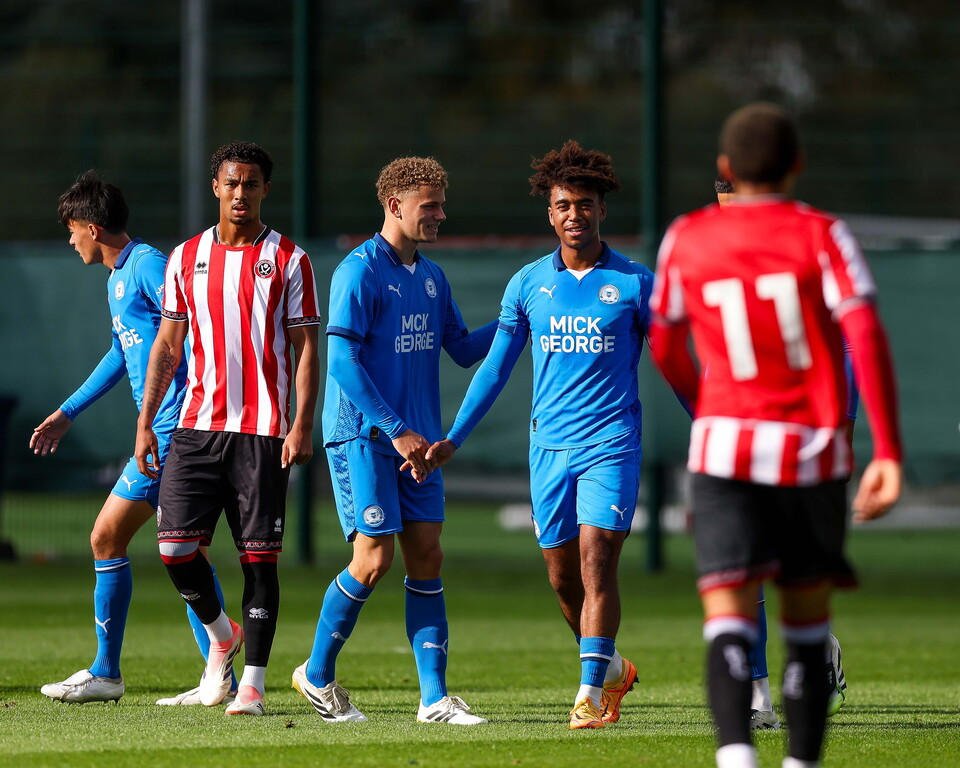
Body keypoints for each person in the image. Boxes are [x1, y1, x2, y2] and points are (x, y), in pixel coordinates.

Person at [650, 103, 902, 768]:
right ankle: (801, 761)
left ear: (726, 169)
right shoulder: (825, 234)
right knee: (807, 629)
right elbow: (866, 334)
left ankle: (737, 756)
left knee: (728, 619)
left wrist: (709, 406)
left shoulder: (686, 237)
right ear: (797, 165)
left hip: (725, 449)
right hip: (811, 452)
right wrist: (891, 452)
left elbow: (665, 340)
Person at [419, 140, 656, 730]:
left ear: (602, 209)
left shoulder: (634, 283)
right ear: (549, 214)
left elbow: (674, 362)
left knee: (598, 559)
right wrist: (453, 438)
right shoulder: (528, 284)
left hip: (611, 442)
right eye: (562, 205)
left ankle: (588, 696)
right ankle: (611, 670)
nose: (574, 214)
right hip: (547, 449)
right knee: (562, 578)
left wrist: (707, 417)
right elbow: (495, 367)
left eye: (584, 203)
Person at [291, 156, 495, 726]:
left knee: (426, 558)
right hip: (363, 437)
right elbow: (342, 363)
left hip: (418, 447)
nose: (440, 215)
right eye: (429, 206)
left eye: (440, 204)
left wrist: (516, 321)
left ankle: (433, 699)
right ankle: (316, 672)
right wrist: (396, 429)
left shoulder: (431, 275)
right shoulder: (358, 271)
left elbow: (459, 347)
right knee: (374, 558)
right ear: (394, 205)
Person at [134, 141, 321, 717]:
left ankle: (254, 686)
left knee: (258, 560)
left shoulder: (289, 258)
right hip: (195, 427)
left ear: (266, 189)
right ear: (216, 186)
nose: (241, 194)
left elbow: (307, 346)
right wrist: (146, 423)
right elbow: (167, 344)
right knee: (173, 547)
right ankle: (221, 632)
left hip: (264, 432)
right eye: (231, 183)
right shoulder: (184, 257)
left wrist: (300, 424)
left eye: (252, 184)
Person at [32, 170, 233, 704]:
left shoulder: (148, 266)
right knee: (184, 550)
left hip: (174, 431)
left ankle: (106, 673)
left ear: (93, 228)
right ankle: (218, 671)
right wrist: (67, 411)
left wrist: (179, 416)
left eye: (72, 229)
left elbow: (190, 336)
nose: (70, 240)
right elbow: (123, 352)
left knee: (107, 537)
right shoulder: (118, 277)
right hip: (168, 429)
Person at [713, 175, 849, 730]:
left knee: (789, 571)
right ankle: (759, 693)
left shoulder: (805, 245)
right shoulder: (707, 250)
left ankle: (817, 656)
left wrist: (842, 424)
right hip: (738, 433)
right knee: (740, 567)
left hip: (801, 435)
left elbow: (845, 340)